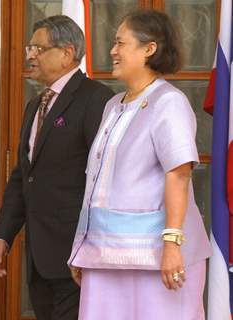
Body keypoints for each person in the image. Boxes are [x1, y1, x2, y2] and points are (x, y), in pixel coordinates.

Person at [68, 10, 212, 320]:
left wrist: (172, 245)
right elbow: (96, 185)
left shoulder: (168, 102)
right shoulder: (112, 105)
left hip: (158, 258)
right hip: (104, 258)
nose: (112, 51)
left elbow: (179, 173)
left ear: (149, 49)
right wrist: (82, 248)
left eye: (120, 43)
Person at [0, 15, 114, 320]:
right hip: (39, 255)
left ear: (67, 52)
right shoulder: (35, 104)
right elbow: (23, 176)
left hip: (78, 253)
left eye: (38, 48)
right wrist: (2, 236)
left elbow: (105, 177)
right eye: (30, 48)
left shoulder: (96, 99)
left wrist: (91, 246)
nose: (30, 55)